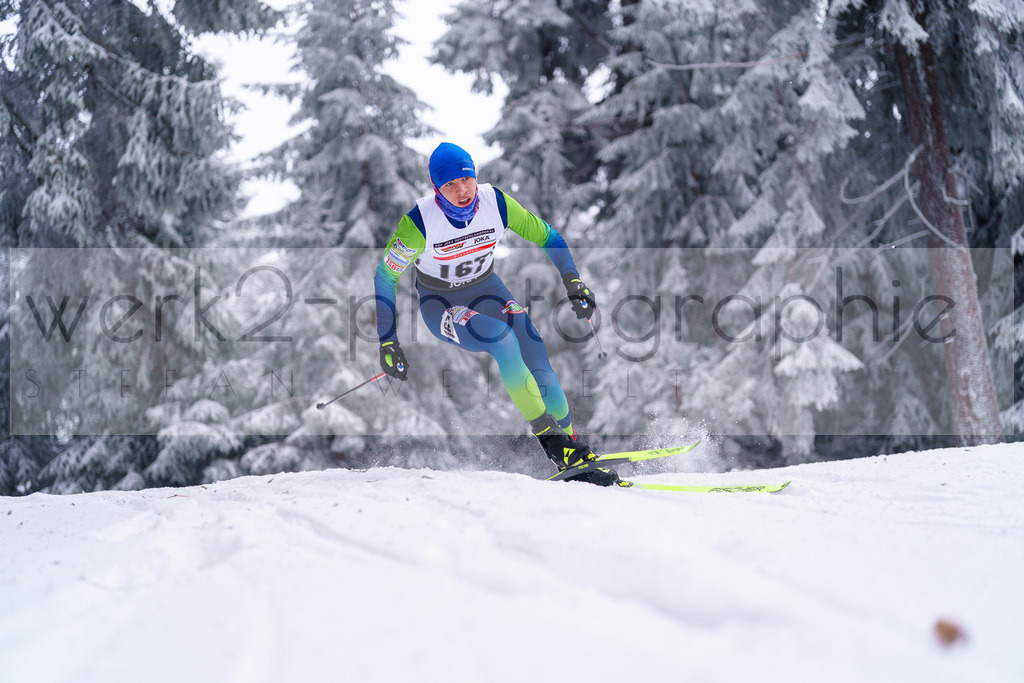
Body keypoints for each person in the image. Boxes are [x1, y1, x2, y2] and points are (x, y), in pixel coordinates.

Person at [373, 142, 618, 486]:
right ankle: (552, 443)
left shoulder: (496, 203)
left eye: (466, 180)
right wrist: (387, 340)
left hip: (488, 290)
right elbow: (386, 275)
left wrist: (573, 280)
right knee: (501, 340)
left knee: (539, 362)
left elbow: (548, 235)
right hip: (442, 304)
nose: (462, 191)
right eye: (450, 185)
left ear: (475, 176)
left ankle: (571, 448)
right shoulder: (418, 223)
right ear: (436, 189)